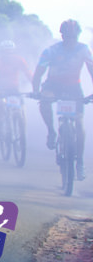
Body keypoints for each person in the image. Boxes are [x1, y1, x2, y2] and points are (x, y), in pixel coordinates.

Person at [32, 19, 93, 178]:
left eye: (74, 37)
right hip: (53, 85)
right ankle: (51, 132)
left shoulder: (84, 50)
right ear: (62, 36)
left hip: (74, 87)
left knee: (79, 124)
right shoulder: (51, 51)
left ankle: (79, 163)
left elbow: (92, 70)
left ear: (78, 36)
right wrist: (36, 91)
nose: (70, 40)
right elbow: (38, 73)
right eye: (67, 36)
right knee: (44, 101)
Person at [0, 40, 33, 140]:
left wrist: (35, 86)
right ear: (1, 52)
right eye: (5, 52)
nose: (7, 54)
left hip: (14, 88)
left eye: (10, 52)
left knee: (21, 109)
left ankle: (22, 130)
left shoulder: (19, 60)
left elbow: (27, 73)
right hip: (0, 88)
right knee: (0, 104)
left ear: (13, 52)